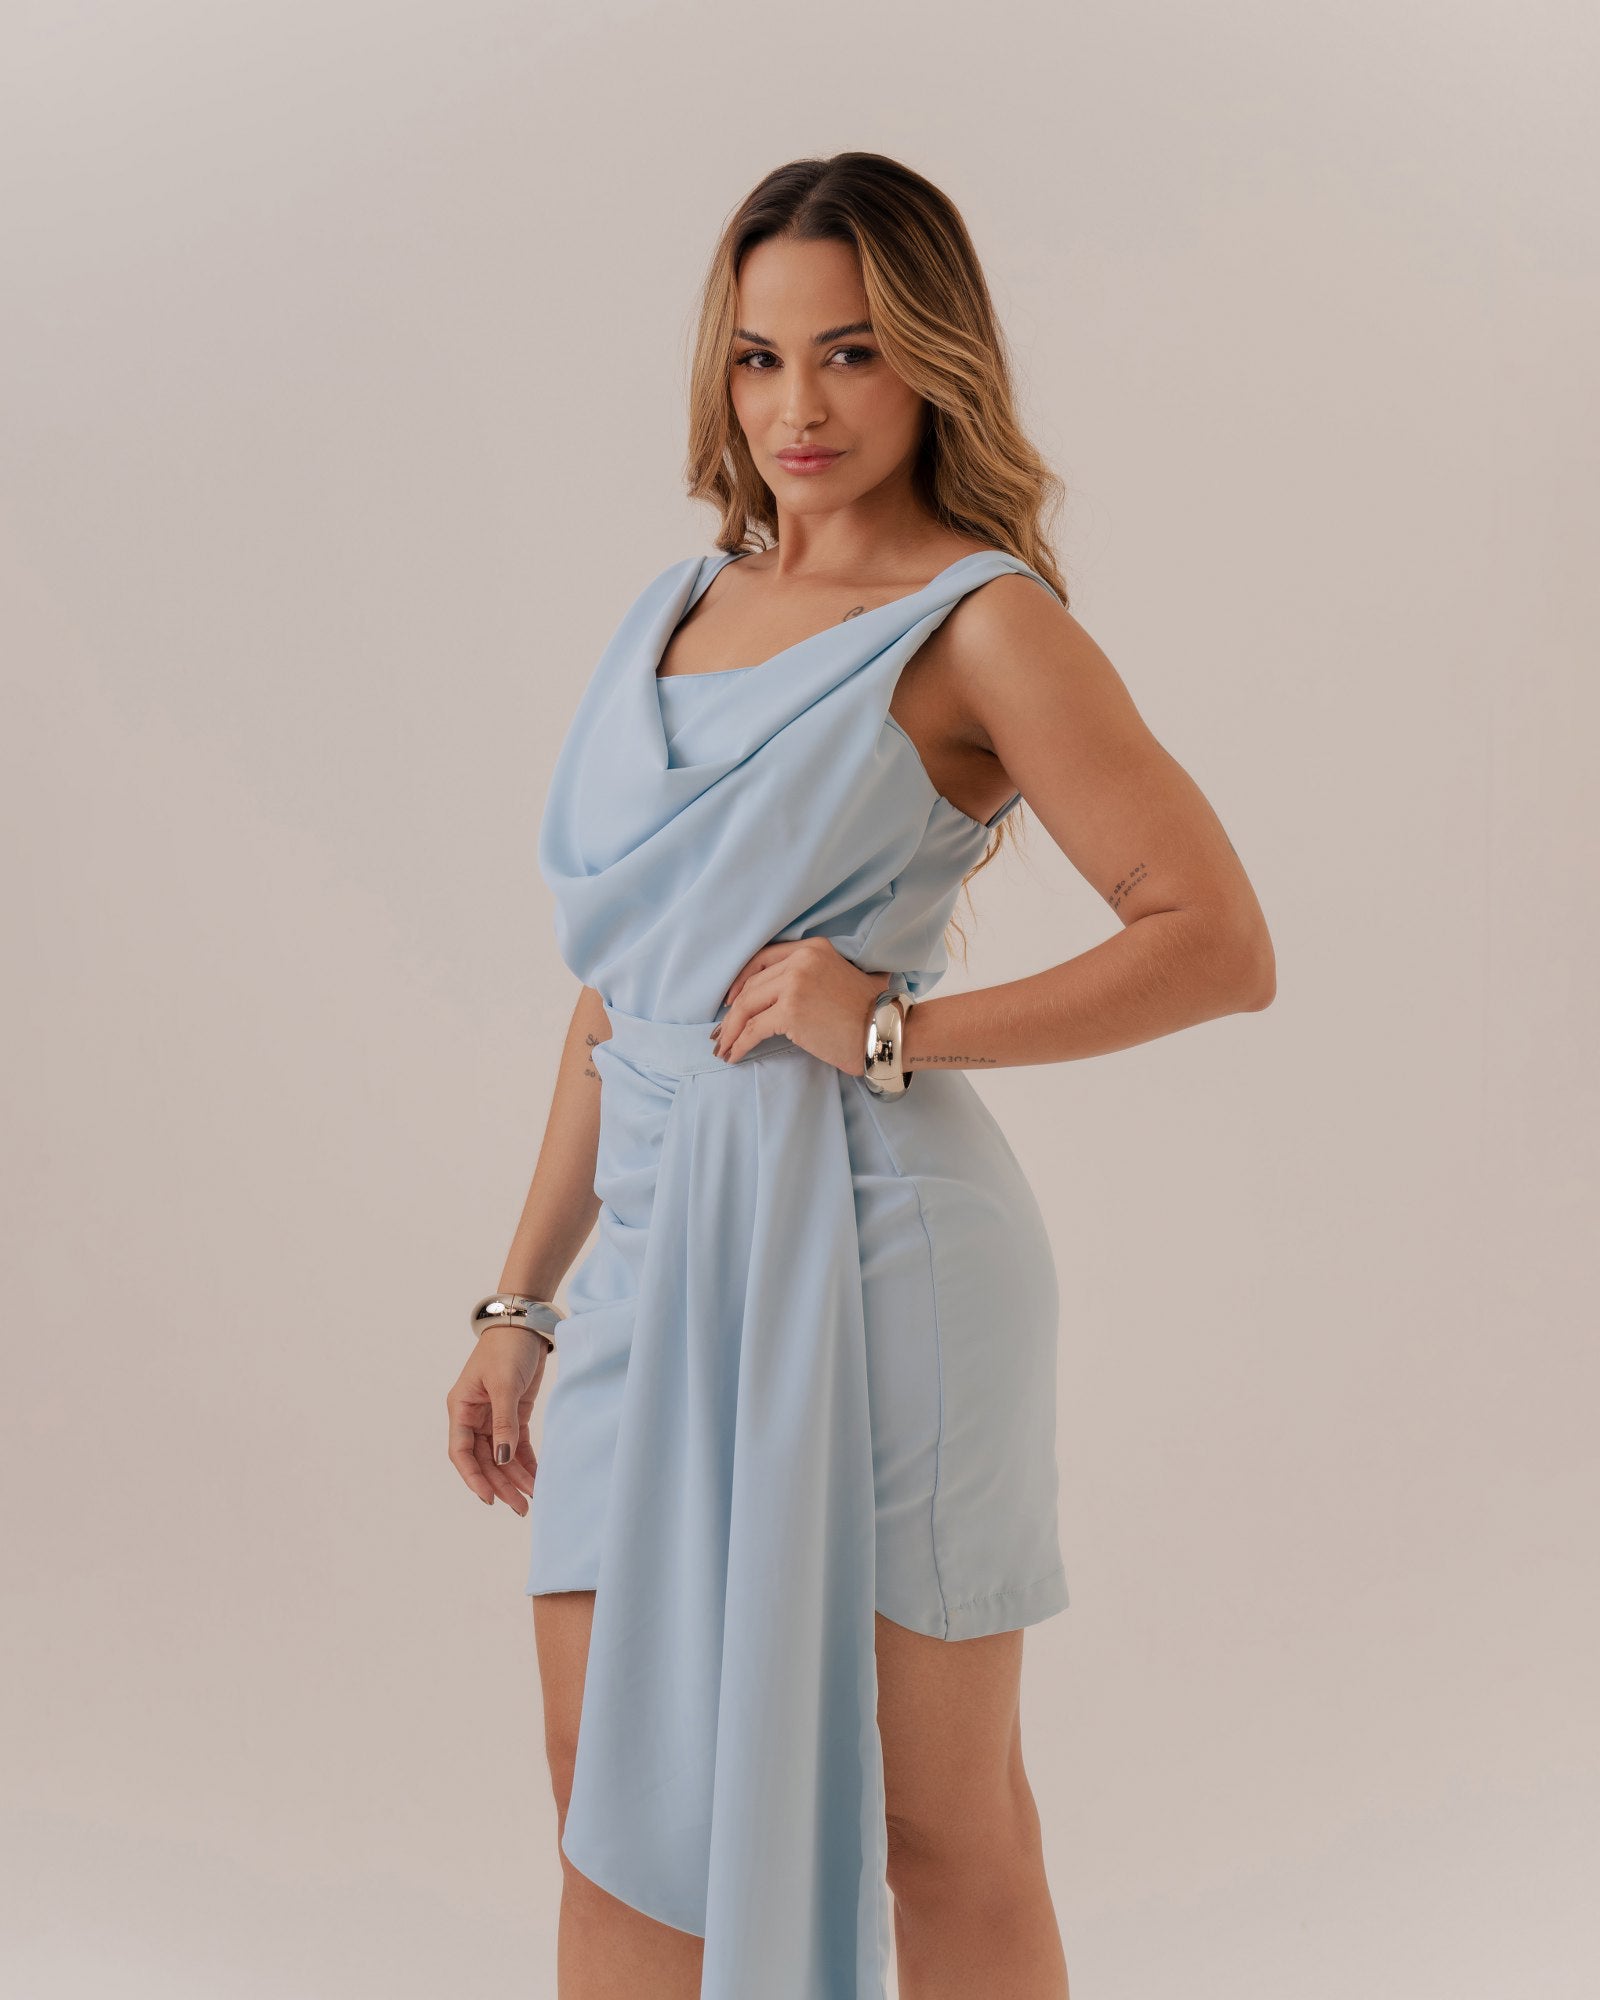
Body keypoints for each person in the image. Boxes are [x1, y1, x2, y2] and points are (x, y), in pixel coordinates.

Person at [445, 151, 1275, 2000]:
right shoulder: (673, 608)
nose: (797, 407)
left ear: (933, 363)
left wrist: (890, 1023)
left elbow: (1218, 940)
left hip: (882, 1255)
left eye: (851, 353)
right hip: (651, 1254)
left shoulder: (982, 621)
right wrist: (521, 1300)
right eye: (759, 358)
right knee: (609, 1790)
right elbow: (622, 997)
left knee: (937, 1823)